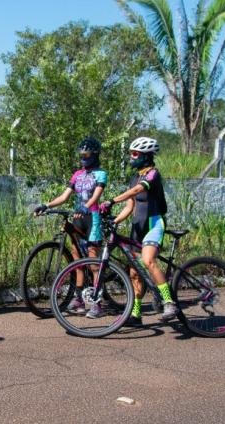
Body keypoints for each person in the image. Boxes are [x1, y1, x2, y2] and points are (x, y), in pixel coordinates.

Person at [99, 136, 177, 326]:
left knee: (148, 260)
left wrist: (111, 201)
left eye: (135, 154)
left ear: (146, 156)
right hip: (137, 226)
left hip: (154, 224)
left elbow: (136, 191)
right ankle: (136, 314)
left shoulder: (153, 174)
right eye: (131, 154)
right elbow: (130, 205)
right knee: (134, 273)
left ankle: (169, 303)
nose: (131, 157)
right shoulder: (134, 176)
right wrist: (114, 220)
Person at [33, 136, 107, 317]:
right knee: (76, 260)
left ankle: (98, 303)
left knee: (93, 262)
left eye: (87, 154)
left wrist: (86, 206)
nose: (83, 157)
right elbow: (64, 196)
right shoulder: (77, 174)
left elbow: (96, 196)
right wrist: (47, 205)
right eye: (81, 154)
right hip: (78, 217)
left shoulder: (101, 173)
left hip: (93, 218)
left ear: (94, 155)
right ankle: (79, 299)